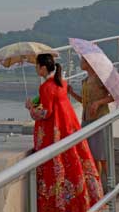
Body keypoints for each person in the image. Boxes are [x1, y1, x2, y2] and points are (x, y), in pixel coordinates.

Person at [25, 53, 103, 212]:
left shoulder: (45, 86)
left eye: (37, 66)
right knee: (74, 161)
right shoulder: (62, 83)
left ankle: (59, 205)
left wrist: (31, 109)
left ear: (43, 68)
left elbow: (46, 112)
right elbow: (54, 101)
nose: (36, 69)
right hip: (68, 127)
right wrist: (38, 100)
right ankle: (84, 199)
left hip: (54, 132)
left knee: (56, 166)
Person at [68, 57, 114, 178]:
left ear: (89, 62)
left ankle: (112, 185)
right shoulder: (85, 80)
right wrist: (71, 93)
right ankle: (97, 187)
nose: (81, 63)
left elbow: (113, 96)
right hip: (86, 120)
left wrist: (99, 102)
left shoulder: (100, 79)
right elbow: (84, 102)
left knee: (102, 155)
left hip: (100, 119)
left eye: (83, 61)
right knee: (92, 156)